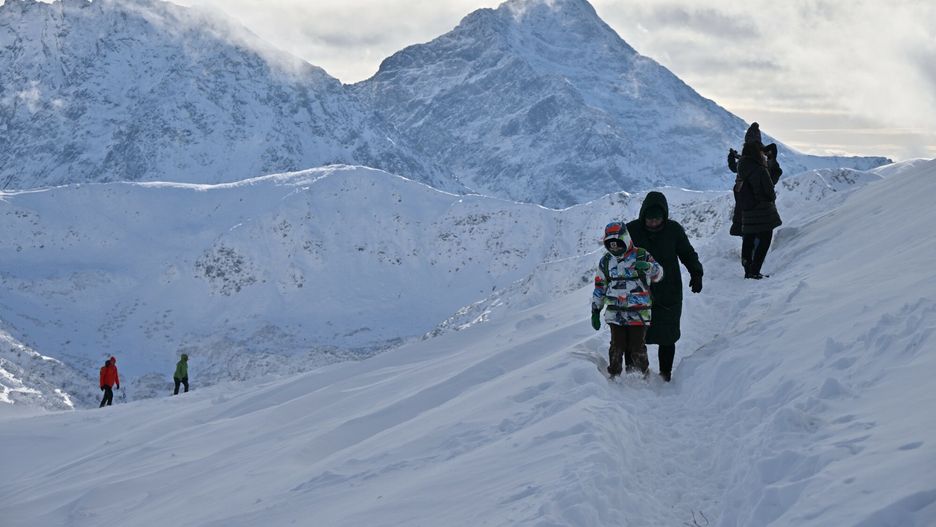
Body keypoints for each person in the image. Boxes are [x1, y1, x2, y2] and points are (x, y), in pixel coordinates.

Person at [626, 192, 704, 382]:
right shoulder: (631, 231)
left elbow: (687, 253)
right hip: (638, 291)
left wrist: (696, 273)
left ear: (664, 217)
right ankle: (634, 374)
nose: (653, 223)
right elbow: (617, 256)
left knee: (667, 335)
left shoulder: (674, 230)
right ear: (643, 215)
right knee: (634, 334)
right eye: (649, 220)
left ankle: (665, 374)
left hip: (669, 290)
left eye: (657, 220)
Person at [591, 221, 664, 378]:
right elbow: (600, 286)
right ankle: (614, 375)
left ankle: (641, 375)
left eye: (618, 244)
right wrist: (595, 310)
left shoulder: (641, 255)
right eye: (610, 245)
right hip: (615, 313)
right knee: (617, 346)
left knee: (637, 346)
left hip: (639, 312)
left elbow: (659, 275)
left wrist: (649, 268)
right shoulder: (605, 262)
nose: (614, 248)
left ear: (626, 240)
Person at [728, 122, 782, 279]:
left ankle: (747, 268)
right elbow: (769, 189)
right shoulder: (760, 167)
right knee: (764, 239)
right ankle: (754, 270)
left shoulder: (743, 163)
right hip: (762, 210)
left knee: (749, 237)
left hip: (746, 208)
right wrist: (772, 160)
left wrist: (732, 159)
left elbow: (735, 169)